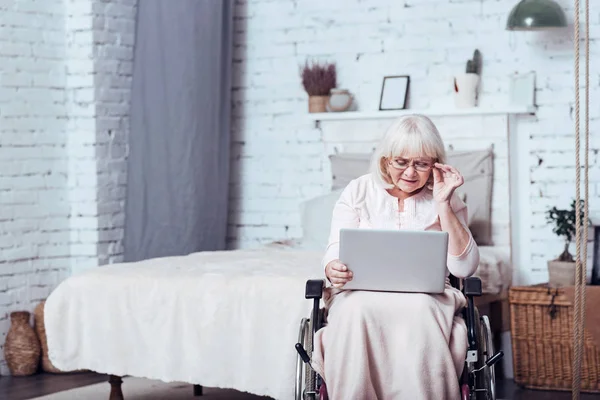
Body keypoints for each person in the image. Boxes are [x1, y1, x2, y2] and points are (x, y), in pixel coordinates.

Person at [310, 115, 480, 400]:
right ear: (385, 160)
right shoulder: (359, 190)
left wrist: (443, 203)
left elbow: (464, 267)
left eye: (421, 163)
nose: (411, 173)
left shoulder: (446, 198)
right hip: (359, 295)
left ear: (435, 164)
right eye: (401, 161)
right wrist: (332, 267)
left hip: (429, 297)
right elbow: (335, 248)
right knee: (355, 312)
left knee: (421, 311)